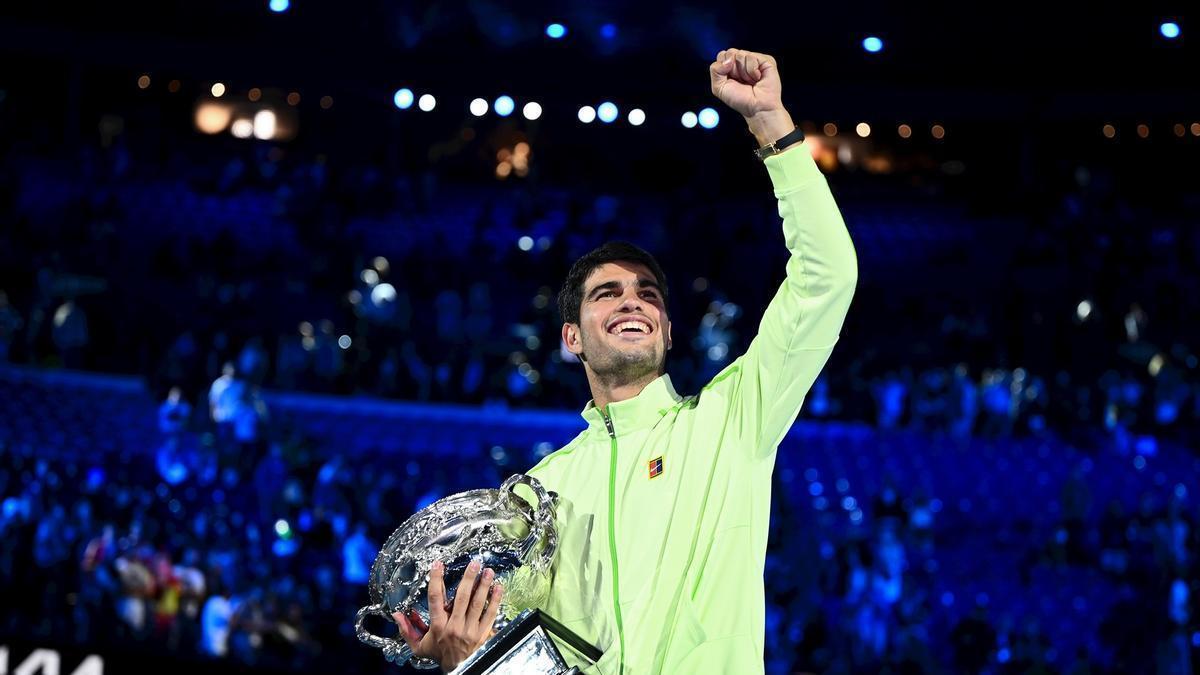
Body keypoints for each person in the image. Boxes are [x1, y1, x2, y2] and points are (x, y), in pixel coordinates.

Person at [393, 47, 858, 673]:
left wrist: (772, 124)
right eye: (606, 293)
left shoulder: (733, 419)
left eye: (648, 294)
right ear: (572, 338)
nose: (631, 301)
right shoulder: (537, 496)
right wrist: (464, 662)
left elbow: (826, 276)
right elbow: (534, 665)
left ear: (667, 331)